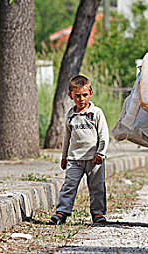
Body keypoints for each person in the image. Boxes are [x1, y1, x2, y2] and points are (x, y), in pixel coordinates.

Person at [50, 75, 109, 225]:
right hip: (74, 159)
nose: (81, 99)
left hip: (94, 159)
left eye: (84, 95)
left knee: (97, 187)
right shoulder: (70, 115)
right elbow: (66, 138)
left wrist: (100, 153)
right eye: (77, 96)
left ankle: (98, 214)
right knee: (69, 185)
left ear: (90, 93)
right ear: (71, 96)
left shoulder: (96, 113)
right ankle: (61, 212)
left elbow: (104, 135)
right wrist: (64, 156)